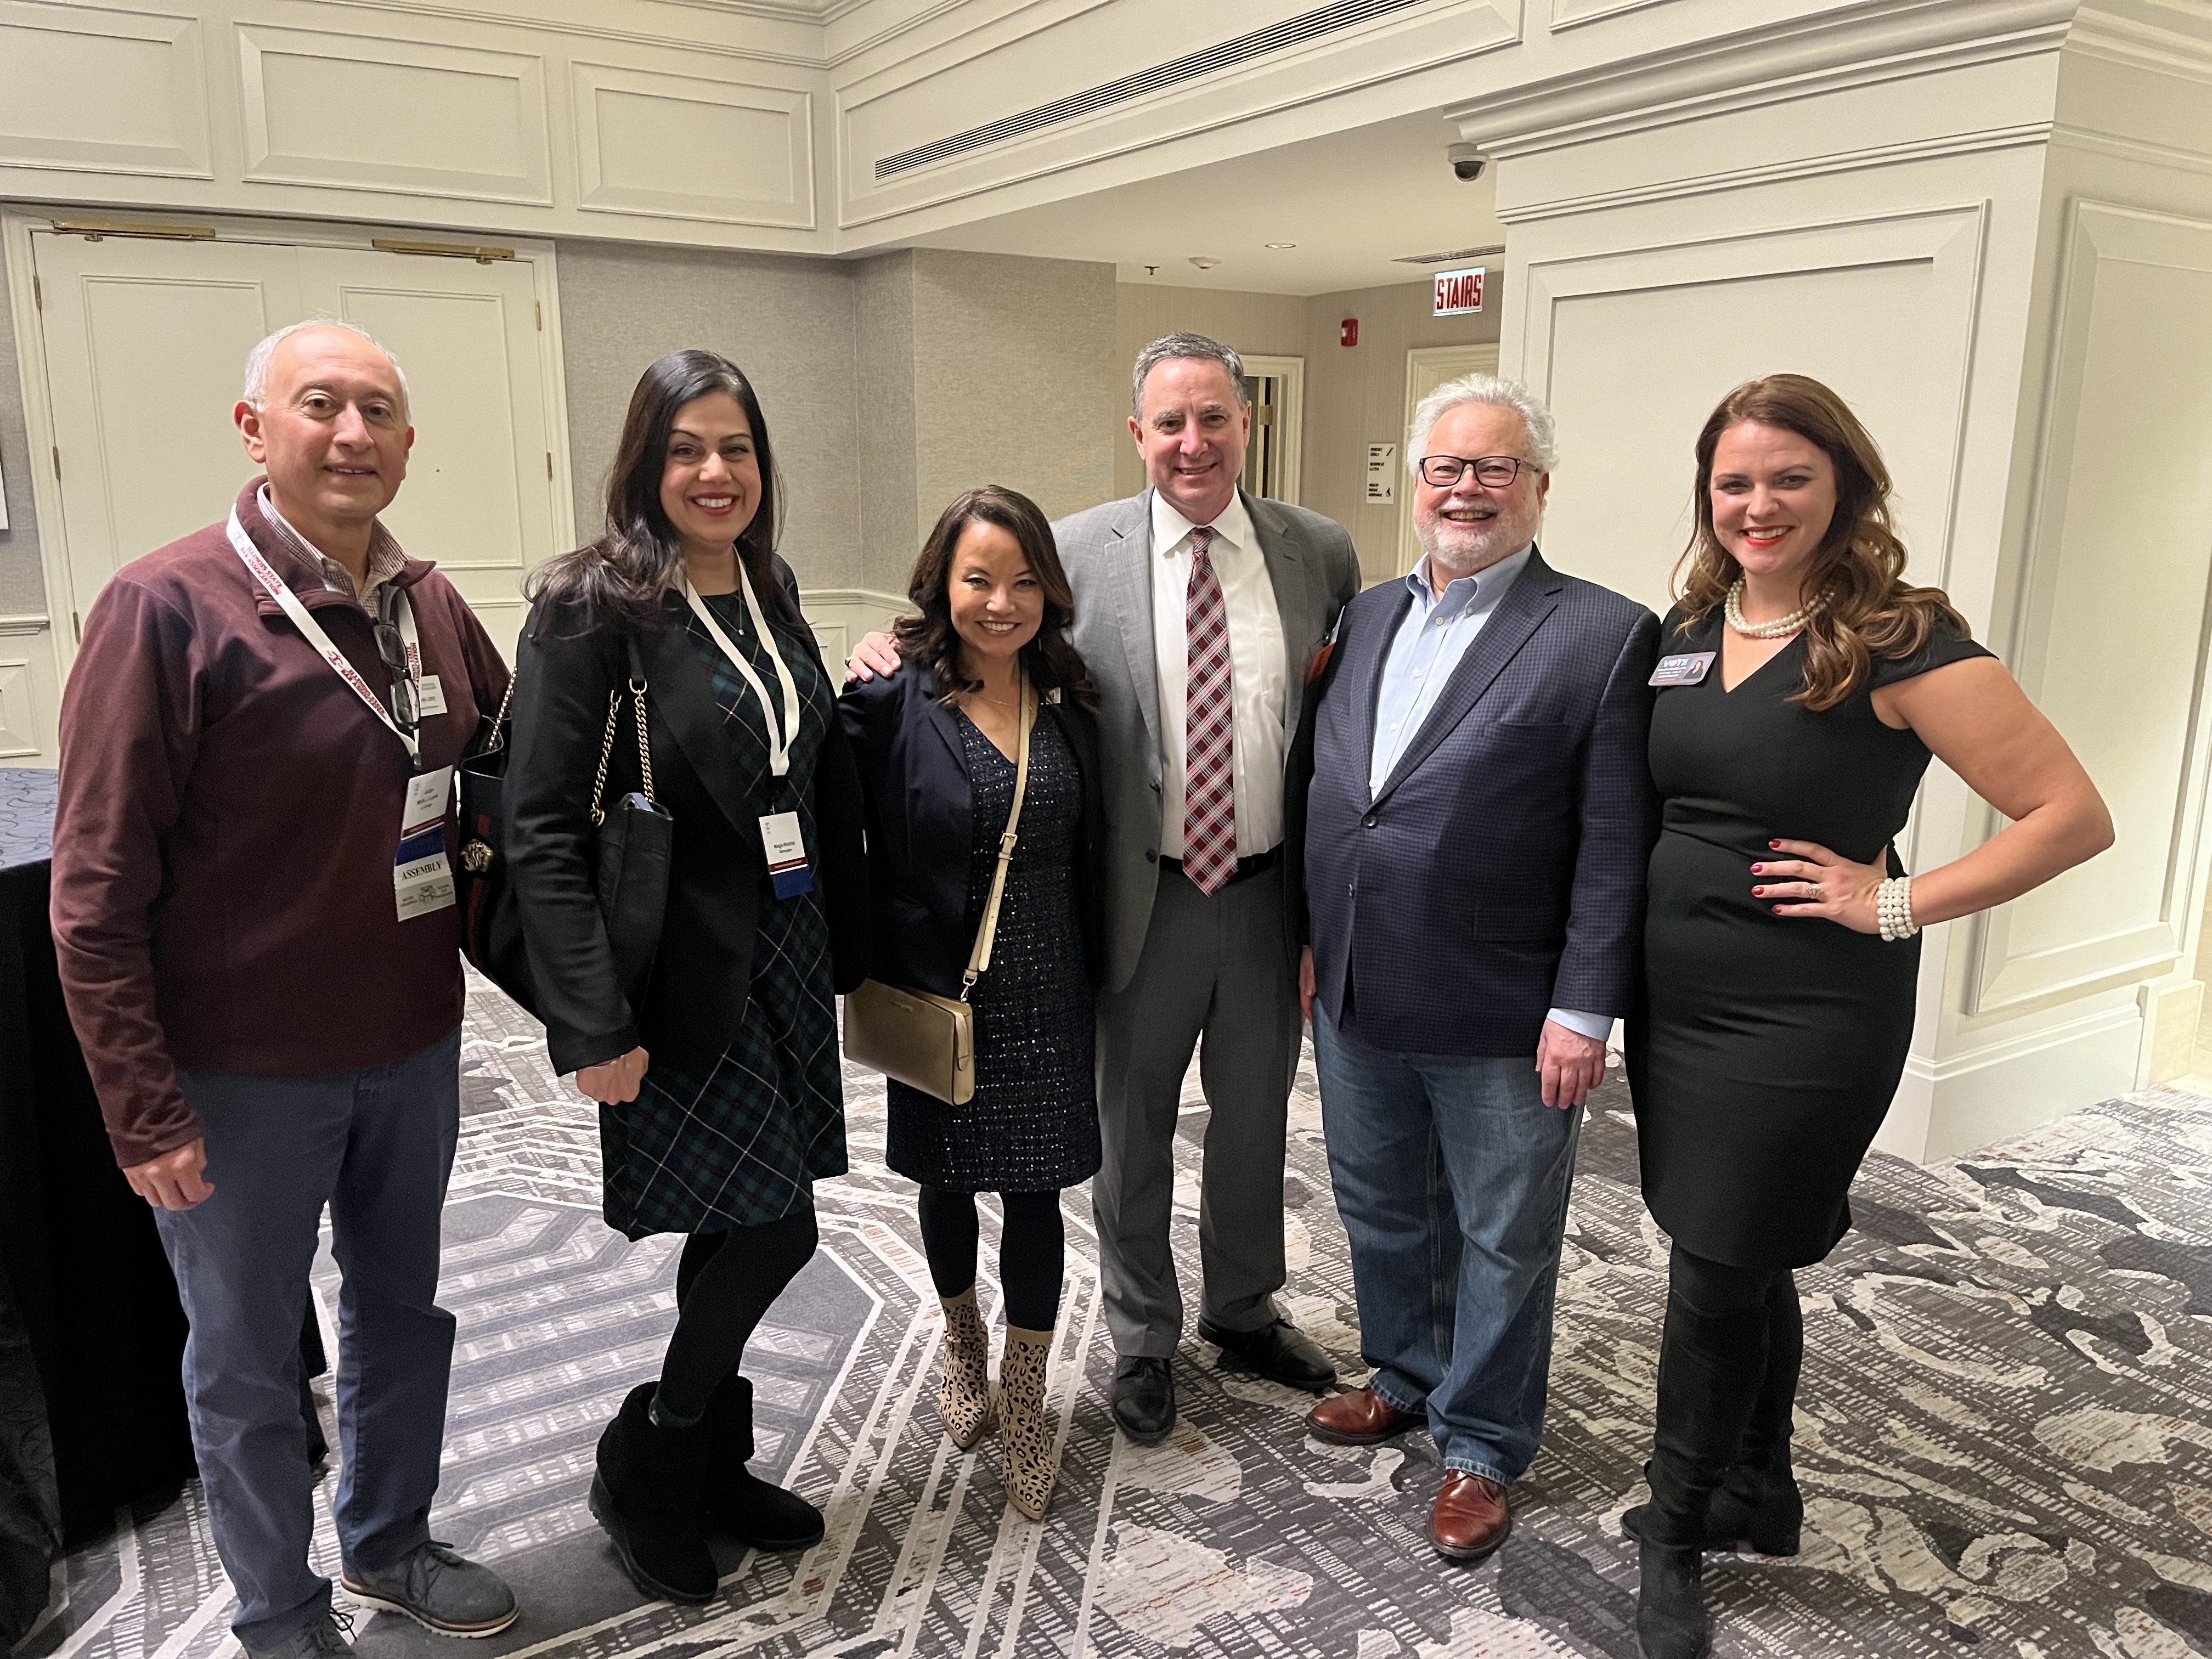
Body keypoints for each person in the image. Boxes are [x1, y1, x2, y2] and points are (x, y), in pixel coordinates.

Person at [1622, 374, 2112, 1659]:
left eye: (1790, 477)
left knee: (1714, 1263)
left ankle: (1675, 1530)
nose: (1759, 504)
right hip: (1678, 1005)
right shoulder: (1691, 625)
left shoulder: (1898, 640)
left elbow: (2072, 815)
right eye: (1734, 482)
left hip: (1804, 1014)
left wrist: (1891, 901)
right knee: (1743, 1249)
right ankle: (1762, 1485)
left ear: (1844, 486)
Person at [49, 320, 518, 1659]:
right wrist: (142, 1110)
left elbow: (515, 773)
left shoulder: (432, 603)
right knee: (248, 1356)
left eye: (379, 411)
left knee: (402, 1314)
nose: (353, 434)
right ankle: (277, 1608)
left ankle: (389, 1541)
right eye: (321, 404)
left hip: (413, 1046)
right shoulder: (164, 608)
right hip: (236, 1074)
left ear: (409, 445)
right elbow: (91, 894)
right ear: (255, 428)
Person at [849, 332, 1362, 1442]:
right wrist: (886, 649)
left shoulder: (1319, 552)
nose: (1194, 441)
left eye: (1214, 417)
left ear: (1246, 423)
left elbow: (1341, 724)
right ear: (1138, 434)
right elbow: (984, 630)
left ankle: (1243, 1307)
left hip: (1269, 893)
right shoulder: (1076, 553)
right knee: (1132, 1123)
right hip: (1141, 894)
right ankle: (1142, 1333)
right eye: (1170, 422)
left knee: (1255, 1117)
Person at [504, 350, 868, 1605]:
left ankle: (712, 1462)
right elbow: (541, 825)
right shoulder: (590, 604)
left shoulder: (771, 584)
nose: (716, 473)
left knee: (737, 1211)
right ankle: (649, 1460)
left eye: (737, 449)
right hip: (676, 972)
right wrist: (588, 1021)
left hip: (787, 950)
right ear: (644, 463)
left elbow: (795, 755)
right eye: (686, 450)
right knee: (777, 1224)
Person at [1290, 374, 1658, 1563]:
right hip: (1357, 984)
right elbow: (1335, 789)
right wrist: (1311, 936)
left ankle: (1484, 1442)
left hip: (1506, 1005)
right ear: (1417, 483)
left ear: (1538, 486)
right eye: (1446, 468)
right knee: (1380, 1203)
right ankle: (1406, 1372)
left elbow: (1613, 840)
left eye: (1495, 469)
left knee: (1504, 1234)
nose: (1466, 490)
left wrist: (1585, 1007)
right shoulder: (1366, 615)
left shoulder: (1603, 634)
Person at [838, 486, 1105, 1520]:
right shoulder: (889, 697)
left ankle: (1027, 1400)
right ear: (940, 586)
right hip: (938, 988)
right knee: (946, 1181)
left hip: (1051, 985)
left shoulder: (1072, 693)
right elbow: (840, 832)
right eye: (979, 580)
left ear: (1050, 591)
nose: (1002, 603)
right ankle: (963, 1347)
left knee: (1037, 1195)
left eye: (1023, 581)